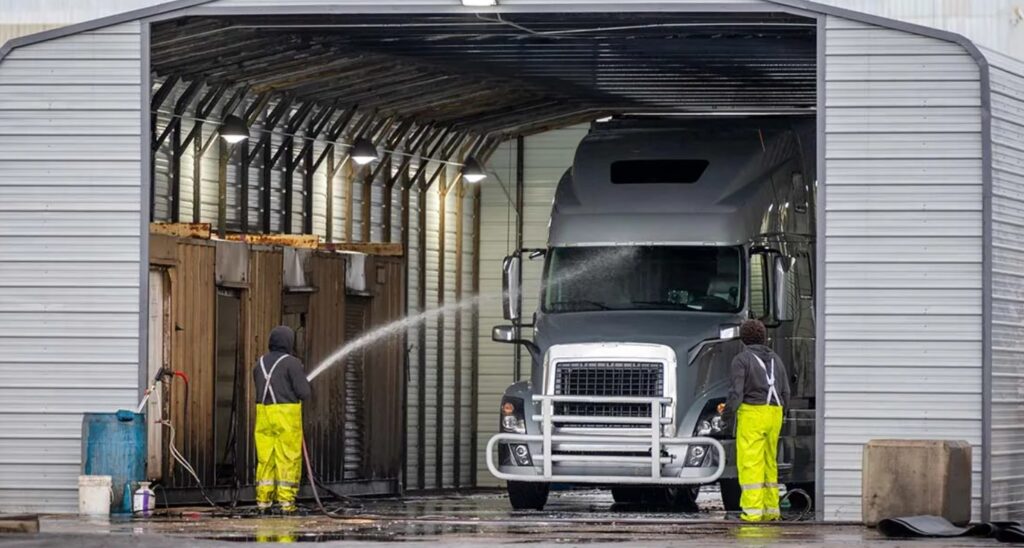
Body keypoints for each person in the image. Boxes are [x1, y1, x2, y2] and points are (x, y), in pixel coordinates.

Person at [724, 319, 790, 522]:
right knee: (770, 462)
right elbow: (786, 391)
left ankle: (752, 513)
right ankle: (771, 511)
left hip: (753, 413)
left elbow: (737, 392)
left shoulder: (741, 359)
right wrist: (781, 413)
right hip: (775, 413)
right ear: (763, 337)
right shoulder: (776, 359)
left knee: (751, 463)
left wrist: (727, 414)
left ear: (743, 338)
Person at [253, 325, 312, 513]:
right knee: (287, 458)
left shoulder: (259, 363)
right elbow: (304, 393)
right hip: (286, 416)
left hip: (263, 415)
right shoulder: (292, 363)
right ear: (288, 342)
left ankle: (263, 502)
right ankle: (286, 503)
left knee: (266, 459)